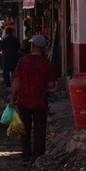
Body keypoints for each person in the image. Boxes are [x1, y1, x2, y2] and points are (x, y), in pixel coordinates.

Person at [12, 34, 55, 164]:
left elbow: (17, 81)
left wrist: (11, 99)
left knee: (24, 128)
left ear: (33, 46)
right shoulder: (47, 64)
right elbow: (51, 84)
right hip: (40, 101)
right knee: (39, 129)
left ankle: (26, 154)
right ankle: (37, 156)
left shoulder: (23, 61)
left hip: (24, 99)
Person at [0, 19, 23, 87]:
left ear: (6, 33)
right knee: (14, 73)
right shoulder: (15, 40)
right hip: (14, 59)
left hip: (7, 59)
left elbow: (0, 48)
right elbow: (19, 47)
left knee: (6, 74)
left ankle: (8, 85)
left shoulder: (5, 40)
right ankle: (14, 85)